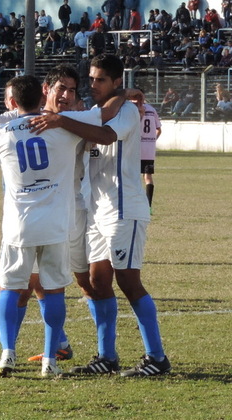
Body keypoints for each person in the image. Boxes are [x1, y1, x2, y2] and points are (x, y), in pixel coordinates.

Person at [0, 68, 133, 378]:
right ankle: (51, 358)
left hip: (18, 226)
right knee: (53, 291)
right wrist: (125, 93)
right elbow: (104, 114)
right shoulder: (68, 127)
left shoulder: (2, 130)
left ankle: (7, 353)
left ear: (12, 101)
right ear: (44, 93)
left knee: (9, 288)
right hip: (58, 225)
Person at [29, 54, 171, 378]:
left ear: (116, 81)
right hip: (98, 211)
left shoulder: (128, 112)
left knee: (129, 281)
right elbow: (90, 121)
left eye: (101, 80)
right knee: (97, 281)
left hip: (125, 208)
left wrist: (63, 120)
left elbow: (107, 136)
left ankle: (157, 358)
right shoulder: (94, 112)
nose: (93, 85)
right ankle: (107, 357)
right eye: (91, 79)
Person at [139, 102, 162, 211]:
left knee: (131, 177)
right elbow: (159, 129)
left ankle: (134, 205)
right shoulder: (152, 110)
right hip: (148, 149)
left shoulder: (131, 109)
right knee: (148, 177)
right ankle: (148, 207)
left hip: (135, 148)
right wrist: (152, 140)